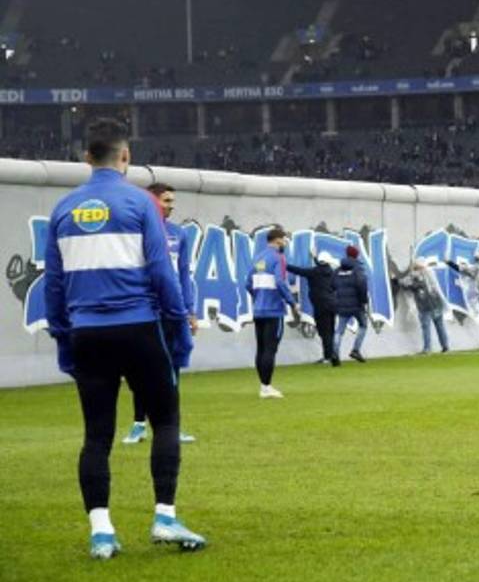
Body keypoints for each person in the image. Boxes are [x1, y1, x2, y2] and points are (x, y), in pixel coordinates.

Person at [43, 118, 205, 559]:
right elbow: (161, 272)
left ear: (85, 158)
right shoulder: (140, 204)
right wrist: (178, 329)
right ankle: (165, 517)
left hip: (87, 334)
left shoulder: (62, 210)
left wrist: (63, 339)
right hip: (138, 327)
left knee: (96, 435)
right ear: (126, 156)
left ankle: (101, 532)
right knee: (166, 421)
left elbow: (53, 287)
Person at [122, 183, 198, 446]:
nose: (171, 205)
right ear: (151, 201)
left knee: (172, 369)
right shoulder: (136, 231)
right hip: (145, 311)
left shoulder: (179, 234)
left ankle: (172, 426)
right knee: (143, 369)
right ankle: (139, 424)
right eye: (166, 200)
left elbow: (184, 275)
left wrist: (189, 311)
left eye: (172, 201)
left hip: (172, 311)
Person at [245, 228, 297, 397]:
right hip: (274, 310)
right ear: (278, 240)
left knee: (261, 348)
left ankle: (263, 385)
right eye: (284, 240)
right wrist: (292, 302)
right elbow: (280, 282)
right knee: (270, 349)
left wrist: (258, 298)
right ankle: (266, 387)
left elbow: (248, 283)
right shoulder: (278, 258)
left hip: (259, 310)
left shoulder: (259, 257)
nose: (285, 243)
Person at [287, 251, 340, 367]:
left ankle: (329, 357)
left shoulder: (314, 272)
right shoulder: (331, 272)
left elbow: (298, 270)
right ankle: (332, 355)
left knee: (324, 332)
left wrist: (284, 264)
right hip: (332, 304)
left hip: (320, 305)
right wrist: (315, 257)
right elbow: (334, 285)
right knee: (330, 331)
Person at [402, 260, 450, 354]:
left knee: (426, 328)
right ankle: (445, 346)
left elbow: (408, 285)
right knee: (440, 326)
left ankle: (427, 348)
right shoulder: (430, 274)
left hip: (425, 306)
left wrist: (397, 280)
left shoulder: (416, 277)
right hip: (436, 303)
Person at [334, 245, 371, 362]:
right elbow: (362, 285)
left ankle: (335, 353)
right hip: (357, 305)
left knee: (339, 330)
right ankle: (355, 350)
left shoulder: (338, 270)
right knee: (363, 325)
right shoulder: (358, 269)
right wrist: (364, 301)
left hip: (342, 304)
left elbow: (332, 285)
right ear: (356, 255)